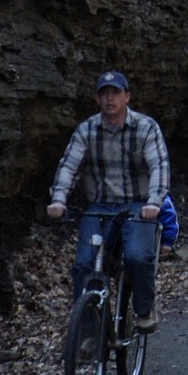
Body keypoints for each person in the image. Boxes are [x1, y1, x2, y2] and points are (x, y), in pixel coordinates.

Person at [47, 70, 171, 332]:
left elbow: (159, 166)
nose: (110, 99)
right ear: (97, 99)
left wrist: (154, 202)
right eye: (104, 94)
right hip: (100, 207)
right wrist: (59, 200)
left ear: (127, 96)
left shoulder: (146, 128)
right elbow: (69, 166)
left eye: (115, 93)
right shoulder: (87, 130)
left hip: (137, 205)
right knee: (84, 265)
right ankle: (89, 332)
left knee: (138, 257)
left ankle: (144, 309)